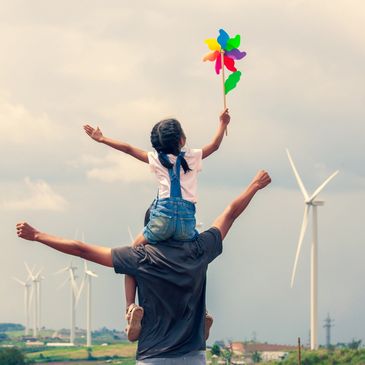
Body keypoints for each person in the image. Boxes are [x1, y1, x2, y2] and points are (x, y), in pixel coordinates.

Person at [16, 170, 271, 365]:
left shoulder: (141, 256)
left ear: (150, 229)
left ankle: (131, 314)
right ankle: (198, 325)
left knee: (130, 271)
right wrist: (255, 185)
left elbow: (81, 249)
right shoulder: (199, 249)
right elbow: (229, 213)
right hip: (193, 355)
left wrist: (38, 235)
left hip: (154, 355)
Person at [83, 109, 231, 339]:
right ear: (182, 140)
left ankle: (130, 308)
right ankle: (201, 312)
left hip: (161, 220)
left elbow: (128, 148)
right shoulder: (191, 157)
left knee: (132, 256)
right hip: (186, 224)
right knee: (198, 258)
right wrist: (222, 123)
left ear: (157, 145)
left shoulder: (155, 159)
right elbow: (215, 145)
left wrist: (102, 139)